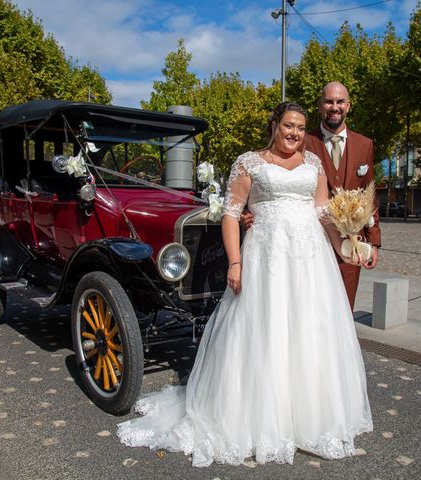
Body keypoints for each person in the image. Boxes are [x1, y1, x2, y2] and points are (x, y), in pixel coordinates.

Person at [117, 102, 373, 467]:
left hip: (310, 259)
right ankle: (261, 418)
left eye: (300, 127)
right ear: (274, 125)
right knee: (264, 332)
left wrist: (347, 245)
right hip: (266, 257)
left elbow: (321, 212)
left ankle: (308, 417)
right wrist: (234, 262)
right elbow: (232, 213)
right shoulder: (249, 162)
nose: (295, 133)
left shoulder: (313, 165)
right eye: (288, 125)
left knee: (309, 330)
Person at [305, 81, 381, 311]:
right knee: (313, 308)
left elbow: (370, 195)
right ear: (320, 106)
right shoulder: (305, 142)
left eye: (339, 102)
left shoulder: (364, 144)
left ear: (348, 106)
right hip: (313, 239)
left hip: (352, 243)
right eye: (329, 101)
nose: (334, 107)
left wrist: (373, 241)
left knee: (344, 310)